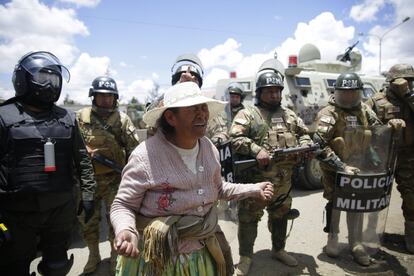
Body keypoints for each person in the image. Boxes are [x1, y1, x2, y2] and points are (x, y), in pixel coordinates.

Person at [110, 81, 273, 276]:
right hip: (157, 260)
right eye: (193, 109)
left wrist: (254, 189)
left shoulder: (208, 148)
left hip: (201, 254)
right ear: (171, 117)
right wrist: (125, 230)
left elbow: (218, 189)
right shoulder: (145, 156)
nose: (202, 114)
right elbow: (123, 205)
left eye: (203, 108)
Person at [0, 51, 96, 275]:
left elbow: (82, 159)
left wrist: (89, 194)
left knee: (57, 267)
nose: (49, 85)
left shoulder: (67, 118)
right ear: (23, 79)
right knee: (13, 266)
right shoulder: (4, 117)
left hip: (60, 209)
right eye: (43, 78)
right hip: (15, 212)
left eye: (53, 79)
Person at [313, 72, 404, 266]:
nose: (349, 97)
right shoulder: (329, 113)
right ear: (337, 92)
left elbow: (379, 131)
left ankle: (356, 244)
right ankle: (333, 238)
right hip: (335, 169)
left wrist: (392, 126)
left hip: (360, 167)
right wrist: (341, 166)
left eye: (353, 92)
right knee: (336, 202)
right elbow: (319, 145)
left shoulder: (364, 109)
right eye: (345, 93)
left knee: (357, 204)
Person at [229, 68, 312, 275]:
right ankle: (246, 257)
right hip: (256, 182)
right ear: (260, 92)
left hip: (284, 181)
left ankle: (278, 249)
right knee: (249, 218)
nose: (275, 95)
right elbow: (235, 139)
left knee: (281, 215)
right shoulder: (248, 114)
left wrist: (305, 145)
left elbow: (304, 134)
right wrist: (256, 149)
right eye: (270, 91)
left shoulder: (289, 115)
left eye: (277, 91)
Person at [77, 76, 140, 274]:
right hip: (88, 180)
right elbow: (72, 147)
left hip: (116, 179)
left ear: (115, 98)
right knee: (87, 220)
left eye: (110, 96)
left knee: (117, 220)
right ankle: (93, 254)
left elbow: (134, 151)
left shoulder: (122, 120)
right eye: (101, 96)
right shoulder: (81, 117)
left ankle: (116, 256)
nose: (106, 100)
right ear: (93, 96)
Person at [365, 63, 414, 253]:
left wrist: (408, 95)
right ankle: (370, 234)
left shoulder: (410, 99)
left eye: (411, 81)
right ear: (393, 81)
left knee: (411, 196)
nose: (408, 84)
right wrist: (386, 127)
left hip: (408, 156)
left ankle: (411, 234)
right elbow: (364, 128)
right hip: (382, 156)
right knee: (376, 196)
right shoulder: (376, 101)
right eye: (405, 80)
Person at [206, 82, 246, 146]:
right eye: (232, 97)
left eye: (237, 97)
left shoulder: (246, 113)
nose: (235, 99)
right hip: (224, 144)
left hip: (240, 144)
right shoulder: (220, 111)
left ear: (241, 98)